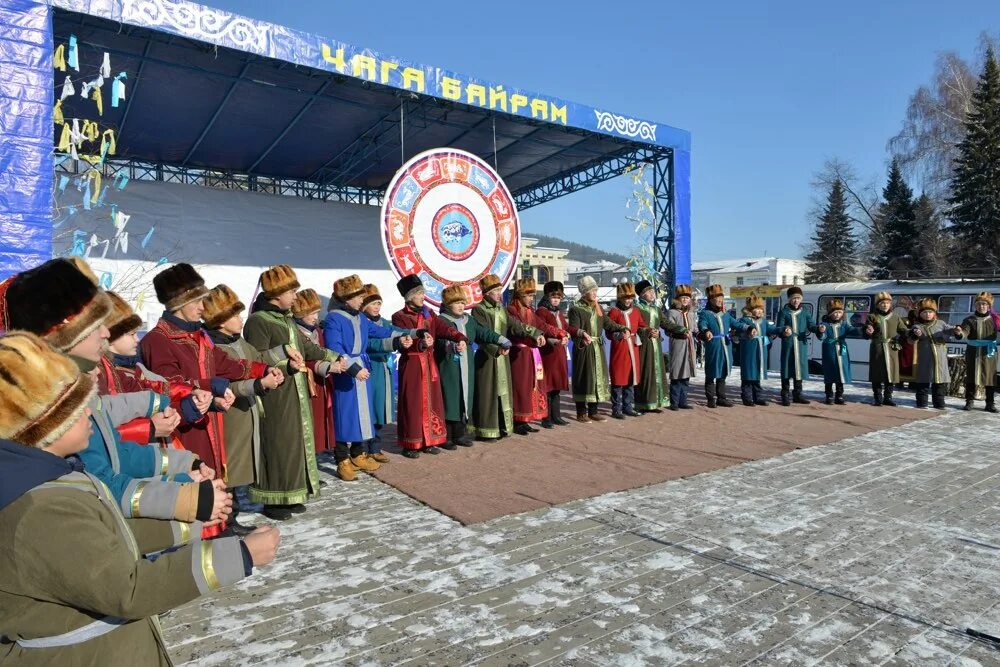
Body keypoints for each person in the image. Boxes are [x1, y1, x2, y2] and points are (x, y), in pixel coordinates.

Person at [0, 331, 280, 666]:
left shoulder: (55, 478)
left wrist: (192, 524)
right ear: (45, 423)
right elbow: (128, 589)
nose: (92, 414)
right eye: (79, 408)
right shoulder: (41, 508)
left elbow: (106, 537)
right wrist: (241, 554)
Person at [2, 258, 229, 528]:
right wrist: (186, 495)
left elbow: (116, 452)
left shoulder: (74, 388)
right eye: (94, 324)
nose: (106, 332)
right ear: (64, 332)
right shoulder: (49, 407)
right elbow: (101, 485)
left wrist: (185, 464)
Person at [141, 263, 273, 478]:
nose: (204, 307)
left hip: (208, 425)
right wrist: (211, 397)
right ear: (179, 302)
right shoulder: (157, 340)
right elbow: (171, 386)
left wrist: (264, 369)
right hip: (182, 432)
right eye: (197, 301)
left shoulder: (198, 336)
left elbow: (226, 364)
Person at [243, 265, 344, 519]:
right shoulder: (259, 321)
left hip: (294, 393)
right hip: (275, 395)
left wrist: (335, 357)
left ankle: (290, 494)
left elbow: (306, 348)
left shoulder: (286, 318)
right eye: (292, 291)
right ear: (277, 294)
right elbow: (254, 358)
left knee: (293, 444)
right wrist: (284, 360)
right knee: (277, 444)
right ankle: (272, 500)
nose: (296, 296)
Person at [202, 284, 288, 529]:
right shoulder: (215, 348)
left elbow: (258, 360)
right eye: (235, 315)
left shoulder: (238, 342)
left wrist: (281, 360)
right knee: (228, 468)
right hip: (230, 417)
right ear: (221, 320)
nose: (241, 319)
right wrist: (259, 384)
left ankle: (232, 516)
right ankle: (226, 520)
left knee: (239, 468)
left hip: (246, 413)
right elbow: (227, 385)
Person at [99, 290, 212, 450]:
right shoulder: (157, 341)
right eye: (131, 334)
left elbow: (149, 388)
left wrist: (190, 393)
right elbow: (104, 431)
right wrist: (151, 427)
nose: (137, 339)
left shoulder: (123, 369)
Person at [324, 274, 411, 475]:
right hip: (345, 373)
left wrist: (409, 335)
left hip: (362, 368)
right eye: (359, 297)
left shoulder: (360, 317)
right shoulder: (333, 318)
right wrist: (354, 369)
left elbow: (382, 332)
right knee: (344, 415)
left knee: (362, 415)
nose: (363, 300)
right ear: (348, 298)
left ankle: (358, 453)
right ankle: (342, 458)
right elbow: (334, 349)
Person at [391, 275, 466, 455]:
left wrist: (458, 337)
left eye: (423, 292)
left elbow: (443, 328)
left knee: (432, 401)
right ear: (410, 296)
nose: (423, 296)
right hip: (412, 364)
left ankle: (430, 439)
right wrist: (421, 344)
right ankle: (411, 443)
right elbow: (402, 340)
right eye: (419, 293)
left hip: (429, 362)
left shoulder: (429, 314)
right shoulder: (399, 317)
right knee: (413, 403)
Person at [436, 284, 511, 447]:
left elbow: (483, 332)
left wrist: (500, 339)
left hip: (467, 364)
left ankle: (459, 435)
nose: (461, 306)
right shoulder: (441, 320)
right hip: (449, 366)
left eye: (463, 302)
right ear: (448, 304)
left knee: (465, 397)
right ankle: (446, 436)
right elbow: (440, 341)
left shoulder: (469, 320)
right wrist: (452, 346)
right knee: (451, 398)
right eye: (457, 303)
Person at [470, 275, 533, 441]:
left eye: (500, 290)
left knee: (502, 392)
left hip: (503, 358)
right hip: (488, 357)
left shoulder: (501, 309)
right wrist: (496, 349)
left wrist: (535, 333)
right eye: (496, 291)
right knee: (487, 394)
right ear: (487, 293)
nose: (499, 294)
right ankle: (485, 430)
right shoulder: (479, 310)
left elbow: (515, 326)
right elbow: (480, 335)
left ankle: (502, 426)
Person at [506, 278, 566, 434]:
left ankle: (526, 420)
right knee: (520, 387)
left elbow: (542, 325)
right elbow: (520, 328)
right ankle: (517, 421)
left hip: (531, 353)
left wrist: (560, 332)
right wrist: (536, 334)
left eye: (533, 295)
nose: (532, 298)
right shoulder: (512, 310)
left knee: (530, 387)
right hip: (519, 354)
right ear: (520, 295)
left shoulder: (530, 311)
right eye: (529, 295)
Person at [568, 275, 627, 422]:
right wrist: (582, 339)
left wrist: (623, 327)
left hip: (597, 348)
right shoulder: (576, 309)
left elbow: (608, 324)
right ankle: (581, 412)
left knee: (597, 379)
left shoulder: (598, 307)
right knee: (584, 378)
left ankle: (593, 411)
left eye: (596, 290)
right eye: (592, 291)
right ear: (584, 292)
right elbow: (573, 329)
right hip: (584, 348)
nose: (595, 293)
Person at [291, 289, 336, 458]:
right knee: (308, 423)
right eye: (311, 313)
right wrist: (326, 366)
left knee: (318, 422)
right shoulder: (296, 332)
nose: (315, 317)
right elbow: (305, 357)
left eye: (317, 312)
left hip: (320, 381)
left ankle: (314, 461)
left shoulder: (317, 331)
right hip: (306, 381)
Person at [361, 284, 399, 460]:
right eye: (373, 303)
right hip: (371, 369)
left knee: (379, 410)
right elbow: (368, 346)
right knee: (370, 409)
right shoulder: (362, 323)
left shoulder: (385, 323)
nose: (377, 307)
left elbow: (397, 334)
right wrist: (391, 345)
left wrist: (412, 337)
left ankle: (375, 447)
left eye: (379, 303)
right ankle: (364, 448)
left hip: (384, 370)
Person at [698, 284, 750, 408]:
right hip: (714, 346)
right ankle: (710, 398)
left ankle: (721, 397)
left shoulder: (725, 314)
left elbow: (736, 324)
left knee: (722, 372)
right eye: (718, 298)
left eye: (721, 298)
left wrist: (749, 328)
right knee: (711, 372)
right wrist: (706, 331)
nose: (720, 301)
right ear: (711, 300)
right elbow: (702, 324)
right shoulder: (705, 313)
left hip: (726, 347)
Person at [534, 281, 577, 426]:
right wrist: (553, 340)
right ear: (547, 296)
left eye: (559, 297)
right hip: (548, 353)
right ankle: (546, 417)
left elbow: (565, 328)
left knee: (556, 387)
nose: (556, 299)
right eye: (553, 296)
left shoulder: (558, 312)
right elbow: (540, 330)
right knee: (547, 386)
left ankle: (556, 416)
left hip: (559, 353)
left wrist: (576, 333)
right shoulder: (541, 311)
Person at [775, 286, 824, 406]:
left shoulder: (805, 312)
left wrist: (819, 328)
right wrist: (784, 330)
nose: (796, 301)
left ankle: (797, 394)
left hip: (801, 344)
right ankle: (785, 395)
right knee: (787, 368)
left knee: (799, 370)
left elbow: (811, 326)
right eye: (793, 298)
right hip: (788, 344)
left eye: (798, 298)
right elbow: (778, 328)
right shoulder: (783, 312)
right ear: (789, 299)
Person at [908, 298, 961, 409]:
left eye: (930, 312)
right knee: (923, 382)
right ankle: (922, 403)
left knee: (939, 383)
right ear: (920, 313)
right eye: (925, 312)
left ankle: (939, 403)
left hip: (940, 360)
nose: (928, 314)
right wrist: (915, 335)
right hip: (925, 359)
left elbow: (950, 329)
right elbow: (911, 340)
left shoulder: (941, 324)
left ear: (934, 313)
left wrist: (957, 330)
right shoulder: (917, 327)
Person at [607, 282, 646, 419]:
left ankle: (628, 406)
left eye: (630, 298)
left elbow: (642, 325)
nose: (628, 301)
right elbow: (608, 332)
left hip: (633, 348)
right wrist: (618, 335)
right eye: (625, 298)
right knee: (618, 378)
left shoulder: (636, 311)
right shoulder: (614, 312)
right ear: (620, 298)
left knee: (630, 377)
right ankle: (616, 408)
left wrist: (648, 330)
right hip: (620, 349)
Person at [863, 291, 908, 406]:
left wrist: (912, 332)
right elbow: (865, 332)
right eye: (882, 303)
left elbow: (903, 330)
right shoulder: (872, 317)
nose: (885, 305)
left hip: (891, 348)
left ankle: (888, 397)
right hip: (877, 347)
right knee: (876, 373)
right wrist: (868, 331)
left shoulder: (895, 317)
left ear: (890, 304)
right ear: (878, 304)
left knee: (891, 373)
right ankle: (878, 398)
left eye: (887, 303)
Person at [957, 292, 999, 412]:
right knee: (971, 376)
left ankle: (990, 403)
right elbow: (965, 332)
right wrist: (959, 333)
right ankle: (969, 401)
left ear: (989, 306)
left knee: (990, 377)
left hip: (989, 352)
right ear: (975, 305)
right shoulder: (969, 320)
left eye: (984, 304)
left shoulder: (995, 319)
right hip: (973, 351)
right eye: (979, 304)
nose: (981, 306)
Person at [633, 280, 669, 413]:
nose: (652, 293)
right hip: (644, 345)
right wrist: (647, 331)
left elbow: (666, 324)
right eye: (649, 291)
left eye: (652, 290)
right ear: (642, 295)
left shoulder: (656, 309)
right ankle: (642, 403)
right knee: (645, 373)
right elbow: (635, 327)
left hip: (656, 345)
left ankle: (654, 402)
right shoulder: (637, 308)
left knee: (656, 373)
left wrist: (682, 330)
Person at [817, 299, 859, 405]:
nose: (837, 315)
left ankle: (839, 395)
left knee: (841, 372)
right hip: (829, 351)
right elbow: (821, 335)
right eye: (835, 312)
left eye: (840, 312)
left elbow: (853, 331)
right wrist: (821, 331)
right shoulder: (825, 324)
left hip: (842, 349)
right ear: (830, 313)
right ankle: (829, 395)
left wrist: (863, 329)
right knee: (830, 372)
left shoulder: (844, 325)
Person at [663, 284, 698, 410]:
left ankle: (683, 401)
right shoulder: (672, 312)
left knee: (686, 372)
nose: (685, 300)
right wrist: (680, 332)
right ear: (678, 298)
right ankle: (674, 402)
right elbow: (668, 329)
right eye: (683, 297)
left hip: (689, 345)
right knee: (677, 372)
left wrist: (700, 334)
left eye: (687, 298)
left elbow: (694, 329)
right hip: (678, 344)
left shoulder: (691, 313)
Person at [736, 295, 773, 406]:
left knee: (757, 374)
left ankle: (758, 397)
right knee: (748, 374)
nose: (759, 311)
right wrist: (747, 331)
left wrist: (784, 329)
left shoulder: (764, 321)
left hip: (760, 351)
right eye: (757, 309)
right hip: (749, 351)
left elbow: (772, 329)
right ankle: (747, 397)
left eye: (761, 309)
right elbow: (739, 329)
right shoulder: (745, 320)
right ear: (751, 310)